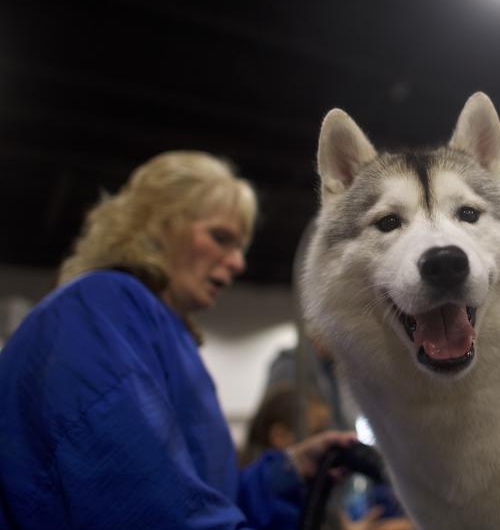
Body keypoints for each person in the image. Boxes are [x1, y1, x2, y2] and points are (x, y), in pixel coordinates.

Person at [0, 150, 357, 529]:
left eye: (239, 247)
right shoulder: (98, 310)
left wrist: (287, 472)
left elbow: (211, 492)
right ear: (155, 227)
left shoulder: (166, 333)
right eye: (220, 238)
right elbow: (145, 505)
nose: (238, 263)